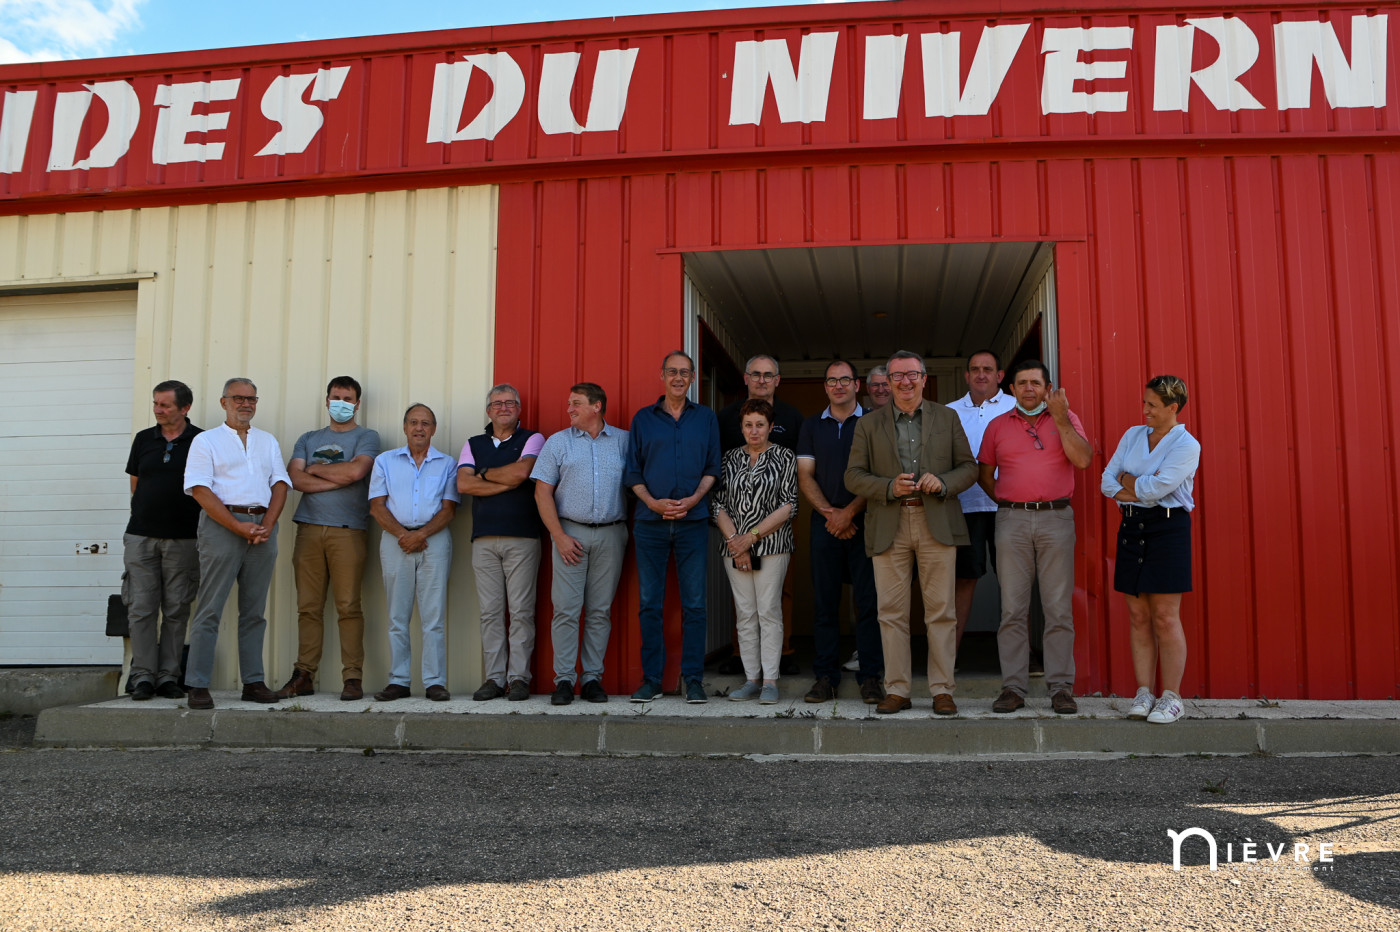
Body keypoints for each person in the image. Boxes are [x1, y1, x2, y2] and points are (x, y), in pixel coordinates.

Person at [845, 351, 978, 716]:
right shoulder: (868, 424)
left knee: (941, 612)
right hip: (889, 521)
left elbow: (969, 468)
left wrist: (944, 482)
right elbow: (853, 476)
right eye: (897, 376)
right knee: (890, 613)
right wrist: (889, 487)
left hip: (936, 521)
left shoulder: (947, 417)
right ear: (888, 382)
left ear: (924, 378)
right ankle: (898, 690)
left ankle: (942, 690)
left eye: (912, 375)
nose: (905, 381)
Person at [977, 360, 1093, 715]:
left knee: (1057, 608)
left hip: (1056, 518)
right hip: (1012, 519)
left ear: (1048, 388)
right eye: (1023, 383)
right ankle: (1013, 688)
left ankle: (1061, 688)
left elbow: (1083, 460)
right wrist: (1009, 502)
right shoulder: (997, 426)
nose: (1029, 388)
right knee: (1012, 608)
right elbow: (985, 474)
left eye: (1036, 383)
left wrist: (1060, 417)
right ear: (1011, 389)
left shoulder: (1067, 419)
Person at [182, 378, 291, 710]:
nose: (246, 404)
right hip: (223, 526)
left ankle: (253, 682)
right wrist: (237, 527)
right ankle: (197, 684)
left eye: (251, 399)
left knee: (254, 611)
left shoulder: (267, 440)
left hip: (262, 527)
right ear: (224, 402)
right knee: (210, 608)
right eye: (238, 398)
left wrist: (267, 524)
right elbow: (200, 490)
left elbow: (280, 484)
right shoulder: (206, 441)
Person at [1101, 375, 1200, 725]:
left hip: (1168, 529)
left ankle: (1172, 697)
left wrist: (1128, 482)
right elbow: (1106, 481)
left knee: (1165, 616)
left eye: (1152, 405)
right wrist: (1137, 487)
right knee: (1139, 616)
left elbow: (1158, 489)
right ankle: (1144, 693)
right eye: (1144, 402)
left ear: (1173, 408)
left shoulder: (1186, 445)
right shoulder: (1132, 435)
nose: (1145, 410)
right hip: (1131, 527)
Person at [625, 350, 721, 704]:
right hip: (650, 523)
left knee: (694, 604)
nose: (678, 377)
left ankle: (693, 680)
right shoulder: (643, 419)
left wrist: (694, 499)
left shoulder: (706, 418)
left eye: (685, 372)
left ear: (693, 378)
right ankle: (651, 680)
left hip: (692, 522)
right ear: (662, 375)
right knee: (650, 604)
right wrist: (652, 502)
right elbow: (632, 471)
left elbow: (712, 467)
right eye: (672, 371)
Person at [277, 376, 380, 702]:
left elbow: (356, 473)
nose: (341, 403)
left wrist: (316, 469)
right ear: (326, 400)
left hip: (348, 531)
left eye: (348, 399)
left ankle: (352, 677)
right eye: (336, 397)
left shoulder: (367, 437)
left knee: (348, 606)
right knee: (308, 607)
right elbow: (295, 478)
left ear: (357, 404)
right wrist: (338, 477)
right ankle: (304, 675)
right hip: (308, 529)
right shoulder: (308, 438)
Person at [531, 383, 630, 705]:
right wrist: (558, 536)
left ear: (596, 406)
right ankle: (563, 680)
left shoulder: (624, 441)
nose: (569, 409)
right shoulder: (558, 442)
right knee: (566, 610)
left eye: (576, 403)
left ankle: (591, 679)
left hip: (612, 534)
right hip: (569, 533)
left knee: (600, 610)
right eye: (569, 403)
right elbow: (542, 492)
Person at [796, 360, 884, 705]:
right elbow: (806, 475)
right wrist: (831, 515)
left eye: (845, 379)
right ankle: (825, 677)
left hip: (866, 523)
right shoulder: (811, 426)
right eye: (832, 380)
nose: (838, 385)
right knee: (825, 603)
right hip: (825, 524)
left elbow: (879, 475)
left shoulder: (874, 422)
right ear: (825, 386)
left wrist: (849, 514)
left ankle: (871, 677)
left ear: (857, 385)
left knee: (869, 604)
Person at [717, 353, 804, 675]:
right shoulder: (726, 417)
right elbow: (719, 482)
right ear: (746, 378)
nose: (762, 380)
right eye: (756, 374)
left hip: (777, 526)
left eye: (768, 375)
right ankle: (741, 654)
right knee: (743, 598)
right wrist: (736, 538)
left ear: (777, 380)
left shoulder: (792, 417)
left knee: (780, 591)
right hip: (735, 525)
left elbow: (799, 474)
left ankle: (784, 652)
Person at [457, 384, 544, 703]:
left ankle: (518, 678)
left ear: (519, 409)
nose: (504, 408)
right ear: (488, 410)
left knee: (521, 612)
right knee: (490, 613)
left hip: (523, 537)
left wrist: (482, 475)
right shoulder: (473, 443)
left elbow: (523, 472)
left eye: (510, 403)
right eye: (497, 403)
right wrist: (502, 481)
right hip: (483, 539)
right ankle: (494, 678)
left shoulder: (533, 439)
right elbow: (463, 484)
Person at [369, 404, 460, 702]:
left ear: (434, 429)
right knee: (397, 615)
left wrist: (420, 535)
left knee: (434, 616)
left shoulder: (447, 464)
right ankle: (399, 681)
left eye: (425, 423)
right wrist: (403, 535)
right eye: (413, 422)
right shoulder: (385, 461)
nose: (419, 428)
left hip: (435, 540)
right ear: (405, 427)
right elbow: (377, 507)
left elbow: (449, 510)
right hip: (395, 541)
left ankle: (434, 682)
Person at [122, 380, 203, 700]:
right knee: (141, 608)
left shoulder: (202, 441)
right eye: (156, 403)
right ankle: (142, 676)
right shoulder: (144, 439)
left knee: (176, 609)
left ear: (185, 408)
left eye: (165, 405)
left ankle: (169, 676)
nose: (157, 409)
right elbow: (136, 483)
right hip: (141, 537)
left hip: (184, 539)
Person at [950, 350, 1014, 651]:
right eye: (974, 369)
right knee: (964, 580)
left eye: (987, 369)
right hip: (965, 507)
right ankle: (949, 657)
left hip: (1008, 507)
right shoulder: (949, 412)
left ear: (999, 375)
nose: (981, 374)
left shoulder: (1016, 406)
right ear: (966, 375)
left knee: (1013, 584)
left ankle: (1022, 656)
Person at [845, 362, 892, 674]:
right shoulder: (858, 421)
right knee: (862, 591)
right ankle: (865, 650)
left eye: (886, 383)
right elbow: (857, 475)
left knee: (894, 591)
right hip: (859, 521)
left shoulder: (907, 422)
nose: (881, 389)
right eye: (875, 384)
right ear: (866, 388)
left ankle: (893, 653)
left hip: (895, 518)